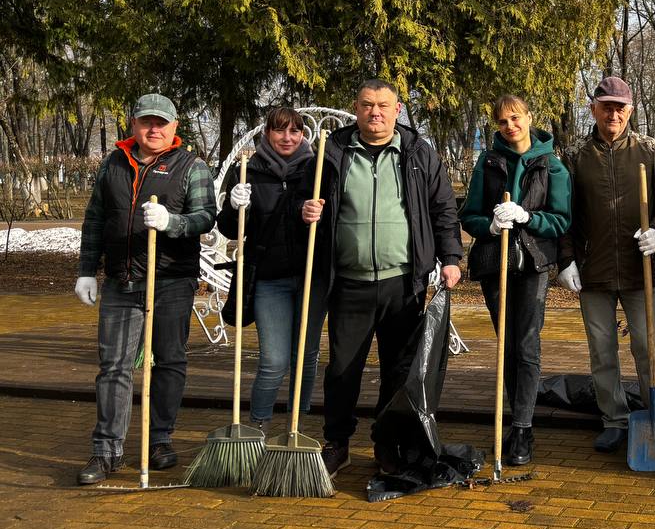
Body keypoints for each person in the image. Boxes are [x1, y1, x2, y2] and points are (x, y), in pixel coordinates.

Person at [301, 80, 463, 476]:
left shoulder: (418, 154)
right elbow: (304, 202)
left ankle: (386, 442)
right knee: (342, 369)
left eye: (384, 106)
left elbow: (443, 209)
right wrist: (305, 210)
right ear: (355, 108)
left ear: (397, 110)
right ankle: (337, 443)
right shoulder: (331, 153)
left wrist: (452, 257)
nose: (376, 112)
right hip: (349, 282)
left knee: (398, 368)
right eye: (368, 105)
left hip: (403, 282)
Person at [74, 93, 216, 484]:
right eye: (146, 122)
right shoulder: (113, 164)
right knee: (113, 367)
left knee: (169, 361)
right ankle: (106, 451)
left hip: (171, 280)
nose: (154, 129)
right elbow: (95, 219)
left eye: (162, 123)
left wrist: (172, 221)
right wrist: (87, 270)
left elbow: (206, 217)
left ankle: (159, 440)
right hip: (122, 282)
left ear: (174, 128)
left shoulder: (191, 165)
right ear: (133, 124)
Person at [558, 76, 655, 453]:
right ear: (593, 108)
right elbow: (566, 215)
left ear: (631, 109)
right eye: (606, 106)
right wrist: (566, 261)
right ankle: (614, 418)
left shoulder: (648, 150)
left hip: (639, 268)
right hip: (592, 271)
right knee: (602, 347)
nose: (613, 113)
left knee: (647, 345)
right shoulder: (576, 157)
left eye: (620, 107)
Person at [459, 95, 571, 466]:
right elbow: (469, 214)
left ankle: (523, 427)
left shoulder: (551, 165)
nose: (510, 126)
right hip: (495, 262)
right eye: (503, 121)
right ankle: (512, 420)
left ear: (529, 118)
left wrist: (527, 217)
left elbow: (561, 220)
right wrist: (489, 225)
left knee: (526, 345)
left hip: (533, 264)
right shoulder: (488, 161)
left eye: (516, 118)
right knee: (506, 344)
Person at [215, 105, 323, 430]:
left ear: (303, 134)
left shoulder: (317, 170)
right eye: (279, 130)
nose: (287, 137)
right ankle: (256, 427)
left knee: (305, 358)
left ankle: (295, 427)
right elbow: (230, 230)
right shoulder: (248, 170)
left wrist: (317, 216)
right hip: (268, 279)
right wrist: (235, 206)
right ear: (267, 134)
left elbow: (336, 223)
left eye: (294, 131)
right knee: (273, 361)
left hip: (310, 278)